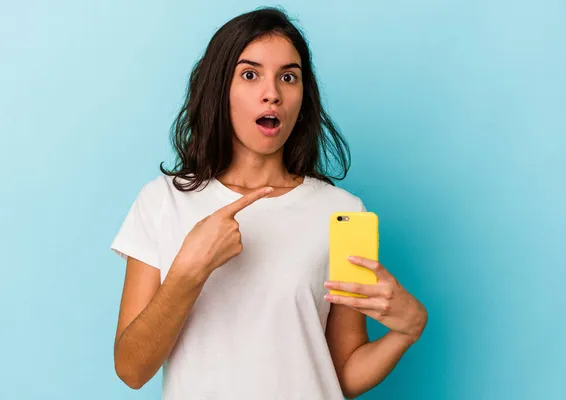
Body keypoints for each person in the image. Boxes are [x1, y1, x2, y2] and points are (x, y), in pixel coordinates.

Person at [110, 6, 428, 400]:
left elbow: (340, 373)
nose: (272, 93)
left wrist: (407, 330)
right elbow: (131, 369)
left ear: (302, 96)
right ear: (219, 89)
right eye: (250, 74)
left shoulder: (343, 212)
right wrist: (189, 270)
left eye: (288, 77)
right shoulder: (162, 201)